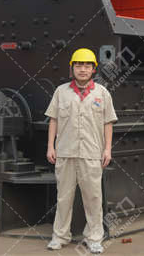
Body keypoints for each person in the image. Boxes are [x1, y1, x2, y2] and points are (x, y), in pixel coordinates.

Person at [45, 48, 118, 254]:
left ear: (94, 69)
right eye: (78, 65)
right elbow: (53, 120)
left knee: (93, 199)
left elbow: (108, 123)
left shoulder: (102, 93)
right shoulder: (61, 92)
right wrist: (50, 146)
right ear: (72, 68)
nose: (83, 69)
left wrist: (107, 149)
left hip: (91, 154)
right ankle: (60, 237)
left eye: (87, 65)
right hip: (65, 152)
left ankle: (94, 238)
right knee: (63, 199)